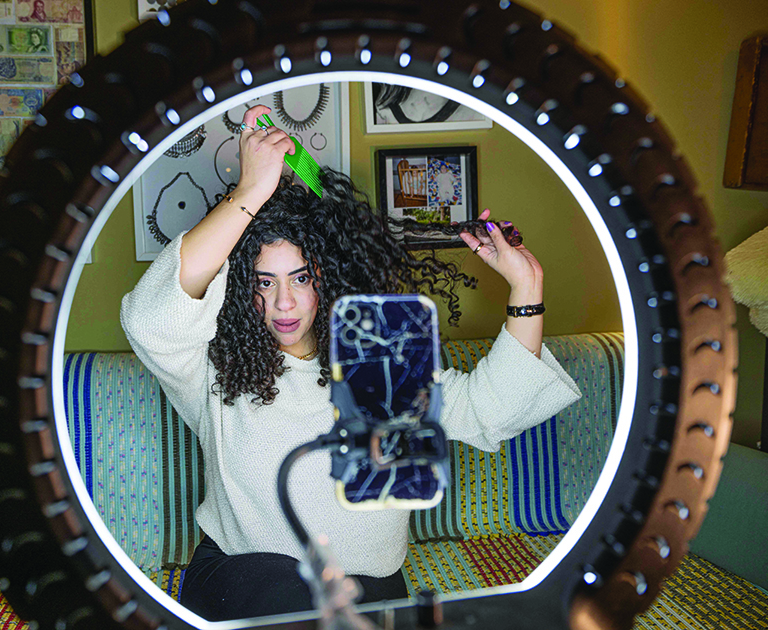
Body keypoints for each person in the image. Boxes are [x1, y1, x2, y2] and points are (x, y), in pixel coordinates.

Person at [121, 105, 581, 620]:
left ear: (330, 276)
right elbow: (149, 322)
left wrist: (527, 290)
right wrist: (249, 194)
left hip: (364, 593)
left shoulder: (380, 359)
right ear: (238, 287)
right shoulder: (212, 367)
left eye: (300, 277)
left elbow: (489, 409)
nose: (283, 304)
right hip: (239, 582)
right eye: (263, 282)